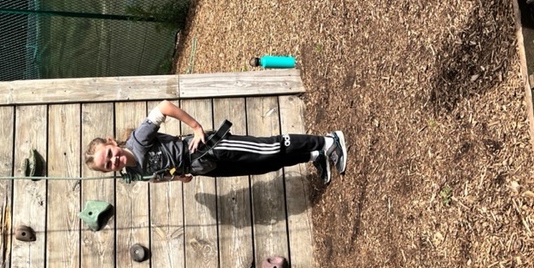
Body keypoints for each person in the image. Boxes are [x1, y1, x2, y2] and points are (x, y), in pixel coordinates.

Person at [84, 100, 347, 184]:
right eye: (107, 165)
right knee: (262, 166)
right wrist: (178, 178)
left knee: (269, 148)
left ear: (112, 142)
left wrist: (196, 127)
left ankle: (327, 141)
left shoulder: (138, 140)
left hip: (209, 148)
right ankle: (314, 155)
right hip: (203, 168)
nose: (113, 160)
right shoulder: (135, 173)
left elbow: (163, 107)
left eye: (109, 154)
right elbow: (156, 176)